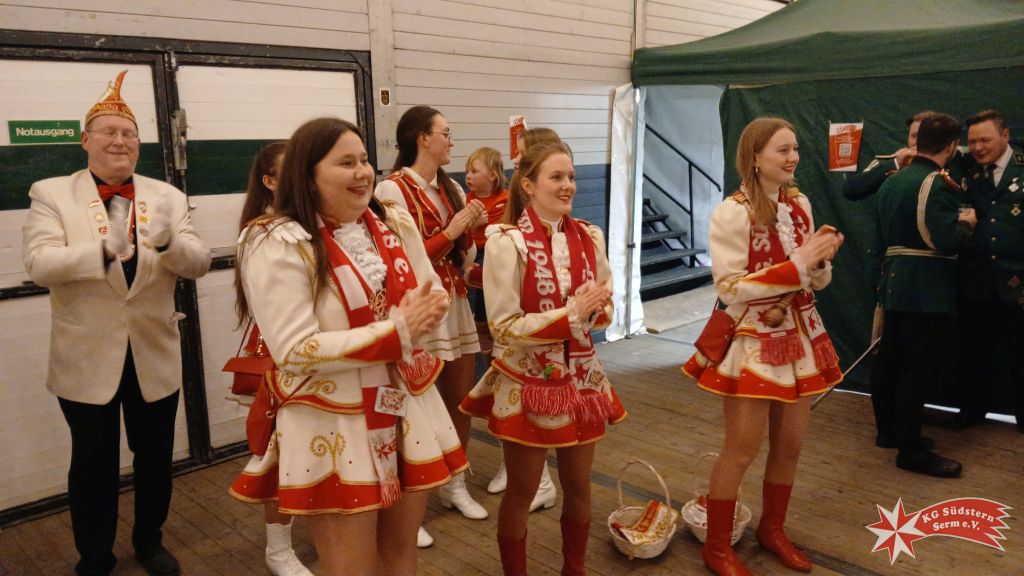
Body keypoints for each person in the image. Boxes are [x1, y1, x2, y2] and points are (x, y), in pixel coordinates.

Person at [228, 117, 465, 576]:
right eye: (346, 163)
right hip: (333, 420)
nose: (362, 172)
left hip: (404, 406)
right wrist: (396, 331)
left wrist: (425, 311)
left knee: (401, 556)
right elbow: (295, 349)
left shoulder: (391, 222)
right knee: (351, 567)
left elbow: (430, 289)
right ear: (307, 174)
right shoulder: (276, 239)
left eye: (364, 160)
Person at [22, 70, 211, 576]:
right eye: (107, 131)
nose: (119, 140)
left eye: (128, 133)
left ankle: (150, 542)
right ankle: (95, 556)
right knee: (92, 464)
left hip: (153, 351)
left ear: (138, 145)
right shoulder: (51, 193)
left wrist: (168, 244)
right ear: (85, 140)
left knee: (155, 460)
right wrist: (104, 251)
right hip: (85, 358)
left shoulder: (166, 196)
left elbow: (198, 263)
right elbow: (40, 264)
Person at [682, 117, 844, 575]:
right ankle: (716, 547)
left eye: (795, 149)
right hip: (753, 338)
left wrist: (819, 263)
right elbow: (730, 287)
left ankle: (773, 530)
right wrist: (797, 266)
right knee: (741, 449)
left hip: (801, 334)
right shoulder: (732, 212)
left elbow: (815, 280)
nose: (793, 158)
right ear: (755, 157)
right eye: (782, 150)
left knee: (790, 446)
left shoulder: (800, 204)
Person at [461, 140, 626, 576]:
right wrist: (570, 315)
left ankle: (575, 569)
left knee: (580, 486)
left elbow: (607, 309)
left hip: (583, 380)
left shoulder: (590, 236)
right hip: (527, 381)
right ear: (529, 185)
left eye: (571, 176)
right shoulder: (506, 242)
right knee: (522, 491)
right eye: (557, 177)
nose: (568, 185)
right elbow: (503, 326)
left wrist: (594, 312)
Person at [373, 106, 487, 544]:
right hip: (416, 305)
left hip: (453, 300)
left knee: (460, 396)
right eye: (445, 133)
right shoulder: (392, 188)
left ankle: (455, 486)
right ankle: (410, 503)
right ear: (423, 138)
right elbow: (403, 254)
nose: (451, 141)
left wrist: (471, 231)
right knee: (414, 405)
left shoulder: (451, 187)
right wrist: (454, 228)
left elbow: (465, 256)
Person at [874, 113, 976, 477]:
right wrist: (966, 226)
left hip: (895, 280)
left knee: (892, 361)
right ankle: (911, 450)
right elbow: (945, 241)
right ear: (951, 146)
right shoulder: (937, 183)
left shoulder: (894, 180)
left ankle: (891, 432)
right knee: (917, 369)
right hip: (925, 287)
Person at [232, 141, 314, 576]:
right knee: (281, 448)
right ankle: (278, 547)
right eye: (291, 171)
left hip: (321, 346)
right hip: (283, 349)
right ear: (269, 181)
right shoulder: (264, 233)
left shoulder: (317, 219)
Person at [485, 128, 562, 507]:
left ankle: (540, 480)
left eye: (521, 155)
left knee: (541, 414)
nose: (514, 161)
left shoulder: (569, 230)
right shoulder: (509, 229)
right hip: (518, 341)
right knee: (512, 408)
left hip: (551, 347)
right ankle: (519, 468)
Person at [955, 109, 1024, 431]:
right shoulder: (966, 170)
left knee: (1020, 353)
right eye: (972, 142)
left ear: (1005, 136)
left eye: (985, 140)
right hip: (976, 279)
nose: (978, 148)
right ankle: (972, 410)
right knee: (974, 351)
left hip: (1018, 281)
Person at [842, 111, 933, 201]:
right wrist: (896, 163)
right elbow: (850, 190)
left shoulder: (941, 165)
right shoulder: (892, 163)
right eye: (914, 136)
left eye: (926, 135)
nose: (919, 141)